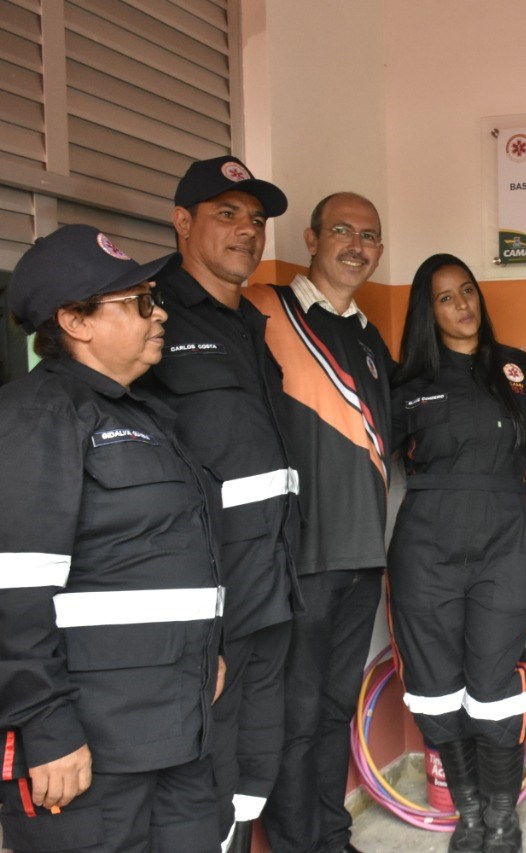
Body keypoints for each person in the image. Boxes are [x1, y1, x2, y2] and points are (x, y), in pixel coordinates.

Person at [0, 225, 223, 851]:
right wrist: (48, 730)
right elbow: (14, 592)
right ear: (75, 321)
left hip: (178, 728)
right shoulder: (37, 417)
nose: (160, 314)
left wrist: (208, 650)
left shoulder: (144, 415)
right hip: (90, 750)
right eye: (140, 302)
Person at [135, 155, 298, 853]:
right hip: (206, 593)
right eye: (226, 214)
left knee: (256, 753)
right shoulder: (151, 315)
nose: (247, 231)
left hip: (271, 582)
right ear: (182, 221)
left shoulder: (249, 323)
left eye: (255, 219)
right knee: (204, 763)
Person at [246, 192, 392, 853]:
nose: (356, 245)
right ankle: (294, 841)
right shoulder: (264, 311)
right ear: (310, 238)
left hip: (363, 555)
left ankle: (330, 834)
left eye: (369, 235)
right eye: (342, 230)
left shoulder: (369, 336)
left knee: (334, 708)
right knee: (296, 713)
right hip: (300, 557)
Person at [386, 254, 526, 853]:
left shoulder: (516, 368)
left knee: (494, 679)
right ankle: (470, 814)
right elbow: (368, 457)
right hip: (426, 548)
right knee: (434, 683)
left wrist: (516, 483)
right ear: (427, 312)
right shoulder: (407, 385)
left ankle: (503, 817)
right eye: (446, 297)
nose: (463, 305)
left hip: (504, 544)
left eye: (468, 291)